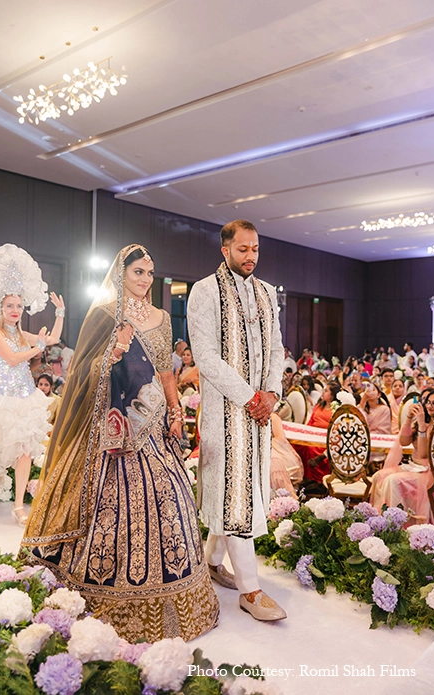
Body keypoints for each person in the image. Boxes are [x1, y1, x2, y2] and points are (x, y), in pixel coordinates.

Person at [21, 244, 219, 643]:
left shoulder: (163, 318)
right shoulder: (104, 315)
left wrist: (175, 412)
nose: (145, 279)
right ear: (121, 274)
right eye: (137, 272)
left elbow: (166, 372)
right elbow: (83, 373)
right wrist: (116, 349)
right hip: (112, 429)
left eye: (149, 272)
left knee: (171, 496)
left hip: (152, 424)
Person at [187, 219, 286, 622]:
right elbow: (205, 356)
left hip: (259, 415)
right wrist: (250, 397)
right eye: (243, 249)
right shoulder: (204, 291)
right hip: (225, 414)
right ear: (225, 250)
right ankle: (251, 590)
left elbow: (277, 348)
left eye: (255, 249)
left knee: (239, 493)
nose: (251, 256)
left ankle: (211, 562)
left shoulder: (266, 292)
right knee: (234, 494)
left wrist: (272, 394)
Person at [0, 244, 64, 520]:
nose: (15, 310)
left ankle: (17, 507)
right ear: (1, 308)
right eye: (10, 306)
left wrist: (60, 313)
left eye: (19, 306)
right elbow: (13, 359)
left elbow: (52, 339)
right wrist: (38, 347)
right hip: (3, 401)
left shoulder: (22, 334)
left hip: (24, 400)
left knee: (24, 452)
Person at [370, 390, 434, 524]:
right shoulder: (421, 422)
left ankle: (396, 523)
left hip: (429, 473)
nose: (429, 406)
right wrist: (408, 418)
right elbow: (404, 442)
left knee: (392, 481)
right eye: (427, 402)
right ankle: (380, 521)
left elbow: (424, 454)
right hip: (414, 467)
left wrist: (422, 425)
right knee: (378, 476)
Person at [292, 381, 341, 483]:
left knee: (310, 448)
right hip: (312, 435)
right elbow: (310, 422)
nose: (322, 393)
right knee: (297, 445)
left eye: (326, 391)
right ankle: (302, 475)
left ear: (332, 395)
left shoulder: (337, 410)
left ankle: (314, 479)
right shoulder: (319, 406)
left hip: (325, 439)